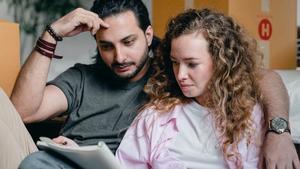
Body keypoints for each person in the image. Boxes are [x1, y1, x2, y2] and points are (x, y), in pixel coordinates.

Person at [0, 0, 296, 168]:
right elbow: (21, 113)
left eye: (128, 41)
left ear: (148, 34)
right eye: (106, 46)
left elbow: (262, 77)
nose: (119, 56)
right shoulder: (82, 77)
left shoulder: (169, 68)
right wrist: (52, 34)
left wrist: (279, 130)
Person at [115, 8, 297, 169]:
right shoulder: (154, 118)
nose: (180, 75)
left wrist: (280, 133)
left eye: (192, 64)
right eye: (175, 63)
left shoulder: (254, 118)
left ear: (221, 62)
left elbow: (269, 77)